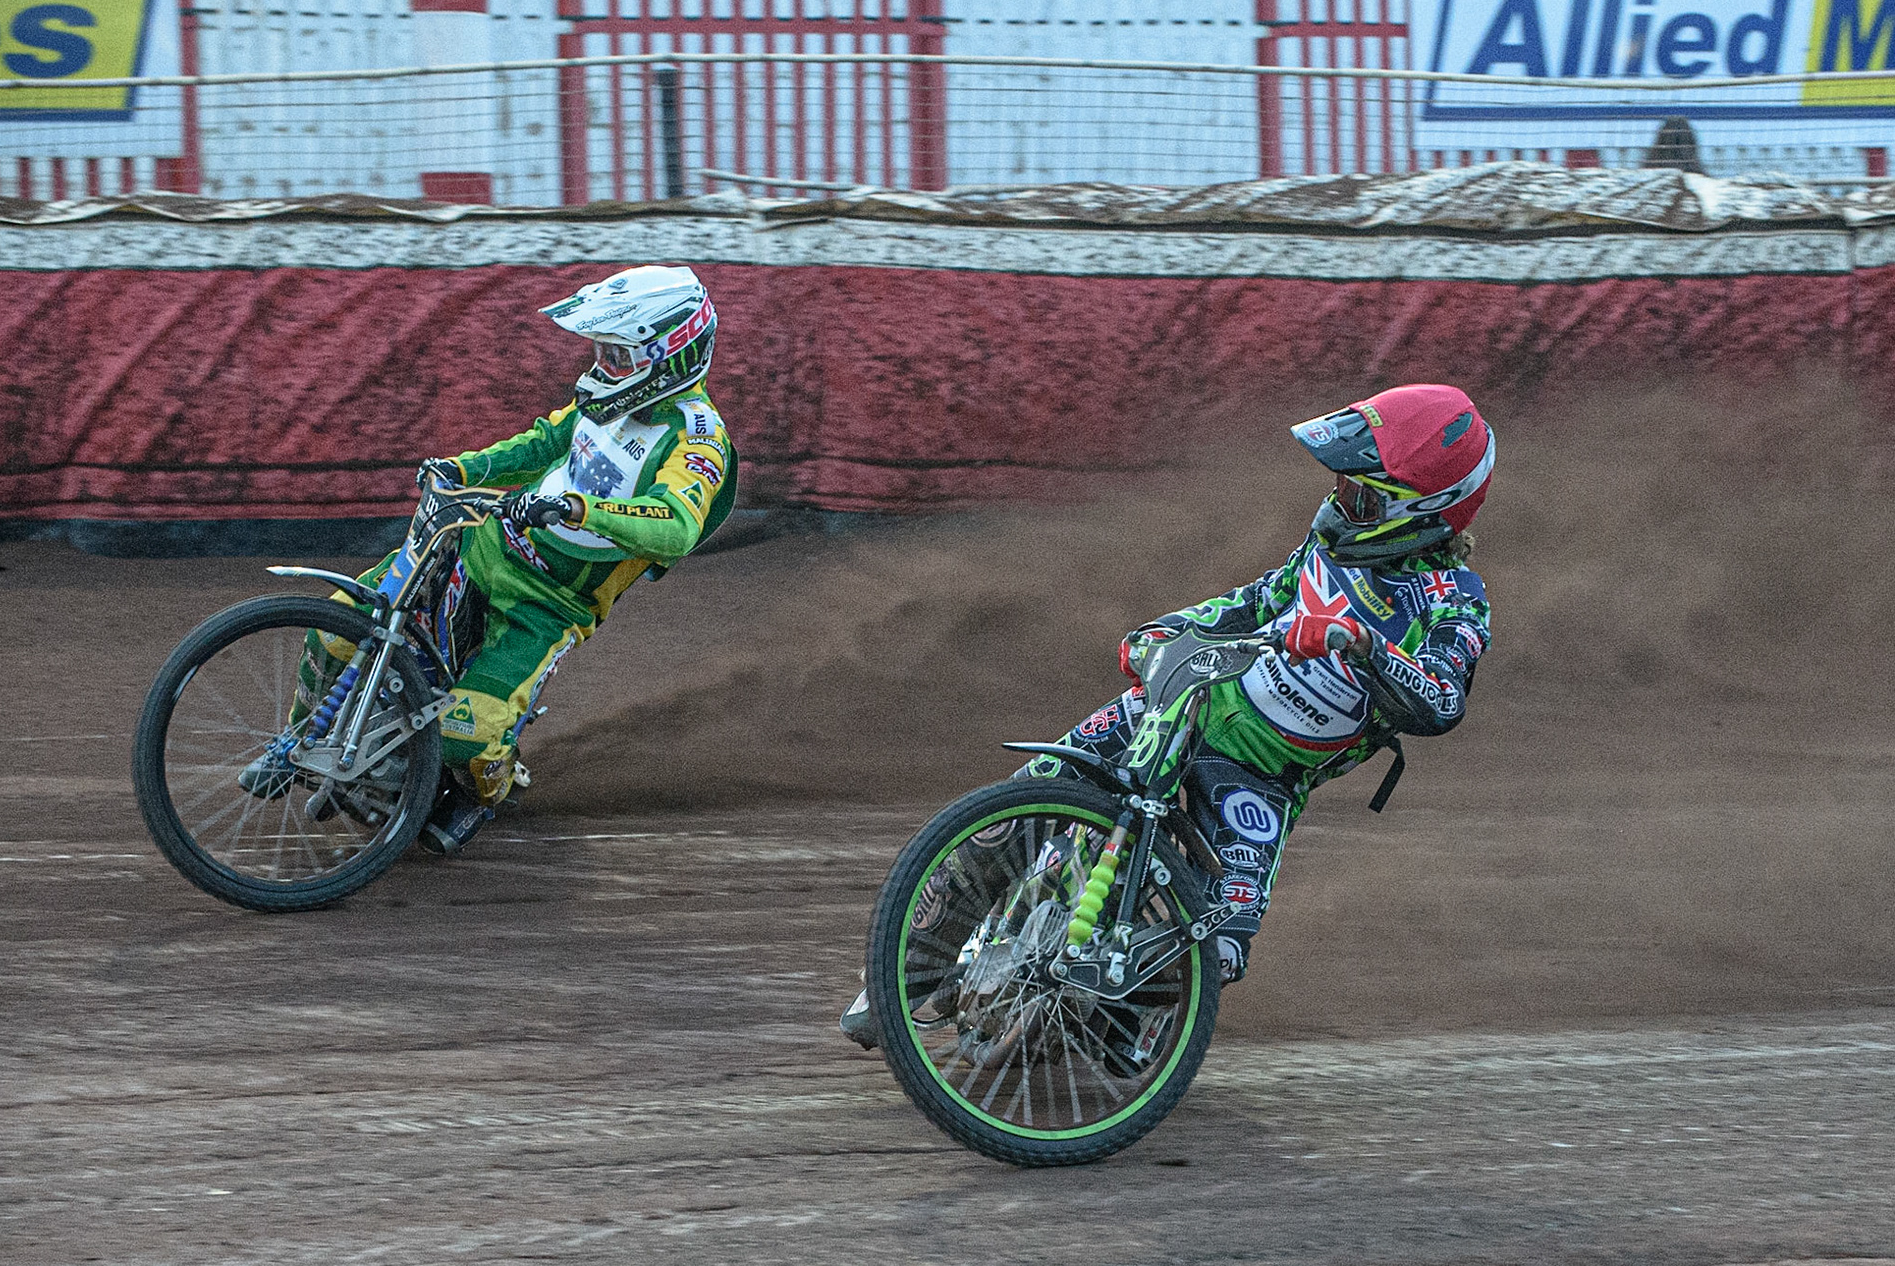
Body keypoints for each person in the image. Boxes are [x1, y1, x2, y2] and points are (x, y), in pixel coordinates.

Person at [840, 383, 1493, 1048]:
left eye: (1363, 494)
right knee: (1024, 804)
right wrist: (1174, 628)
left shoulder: (1455, 603)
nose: (1341, 500)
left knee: (1222, 951)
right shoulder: (1330, 541)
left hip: (1264, 778)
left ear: (1423, 512)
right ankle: (903, 976)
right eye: (1343, 484)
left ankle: (1097, 1019)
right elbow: (1260, 598)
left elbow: (1442, 702)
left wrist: (1364, 646)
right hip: (1192, 700)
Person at [240, 265, 737, 852]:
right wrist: (466, 468)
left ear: (669, 357)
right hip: (475, 544)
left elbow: (676, 526)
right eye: (602, 351)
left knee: (467, 736)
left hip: (547, 606)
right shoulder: (602, 405)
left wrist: (579, 509)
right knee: (338, 627)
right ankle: (300, 743)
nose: (604, 367)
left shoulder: (698, 438)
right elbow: (544, 443)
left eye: (620, 356)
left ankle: (489, 792)